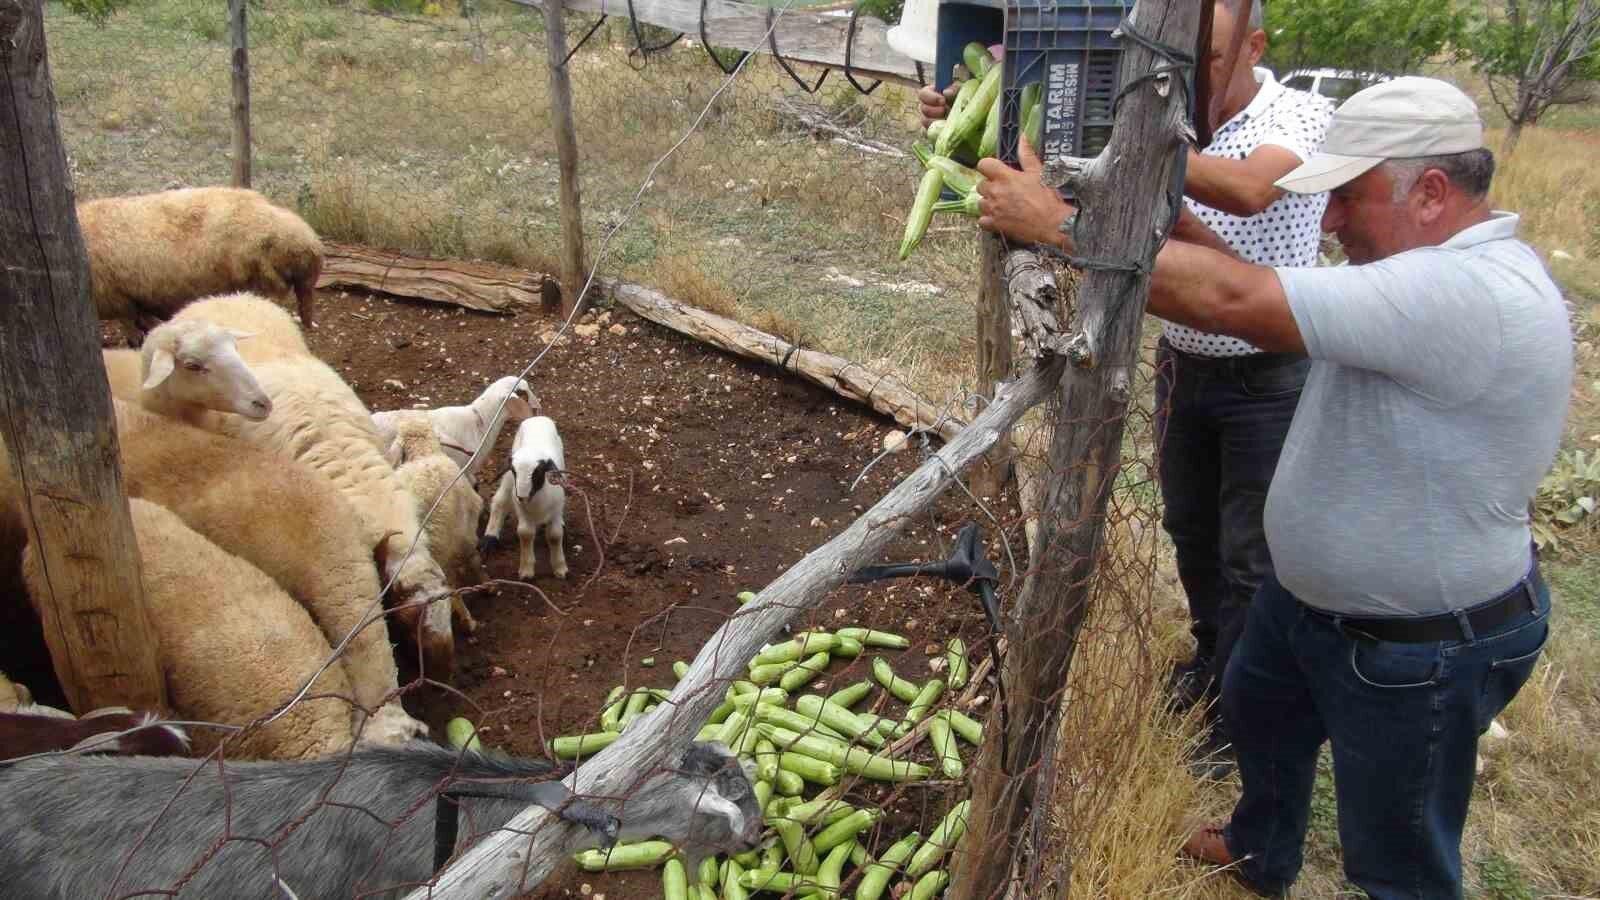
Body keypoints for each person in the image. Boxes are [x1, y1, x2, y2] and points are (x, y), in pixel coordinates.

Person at [975, 74, 1572, 899]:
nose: (1327, 222)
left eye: (1347, 199)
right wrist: (1136, 212)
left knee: (1397, 856)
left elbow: (1230, 297)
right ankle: (1258, 849)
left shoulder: (1466, 292)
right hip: (1315, 609)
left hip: (1416, 643)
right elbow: (1250, 280)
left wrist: (1062, 228)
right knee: (1261, 721)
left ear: (1431, 192)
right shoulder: (1426, 270)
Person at [921, 1, 1337, 752]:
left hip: (1269, 374)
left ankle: (1239, 725)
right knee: (1191, 529)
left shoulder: (1297, 115)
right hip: (1186, 359)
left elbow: (1248, 191)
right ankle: (1213, 667)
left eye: (1205, 58)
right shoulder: (1161, 102)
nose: (1188, 71)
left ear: (1255, 47)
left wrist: (1129, 144)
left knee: (1252, 557)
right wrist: (980, 108)